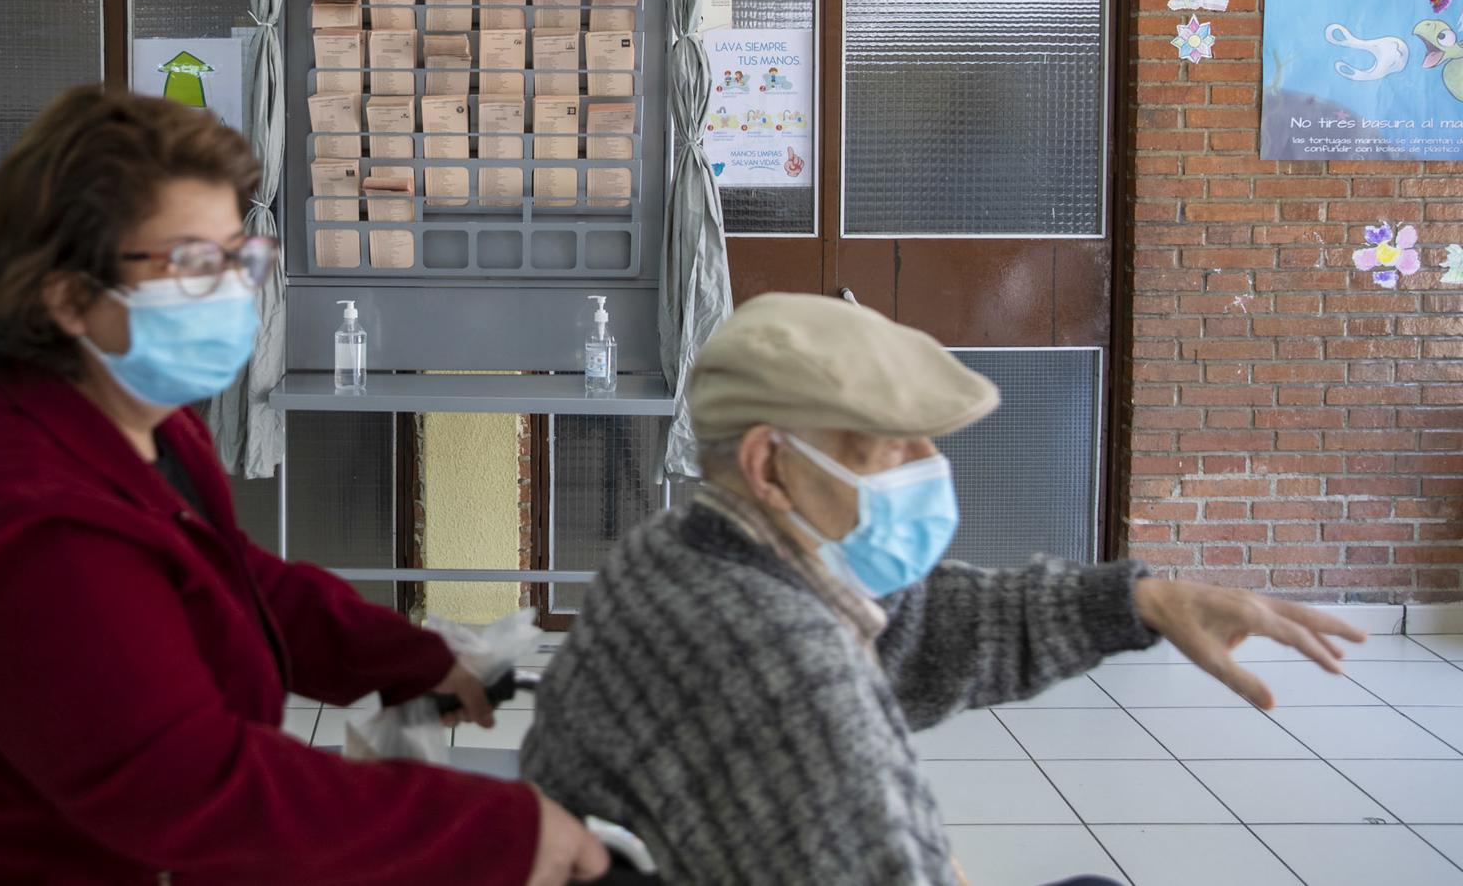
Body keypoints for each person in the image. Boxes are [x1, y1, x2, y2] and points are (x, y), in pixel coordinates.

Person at [0, 86, 606, 886]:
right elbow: (204, 794)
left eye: (240, 257)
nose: (238, 290)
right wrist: (498, 831)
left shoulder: (143, 425)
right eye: (196, 264)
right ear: (70, 298)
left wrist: (409, 656)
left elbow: (231, 578)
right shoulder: (36, 527)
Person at [520, 293, 1365, 886]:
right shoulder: (777, 661)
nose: (931, 470)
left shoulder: (693, 547)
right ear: (768, 464)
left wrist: (1138, 603)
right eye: (890, 447)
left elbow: (921, 625)